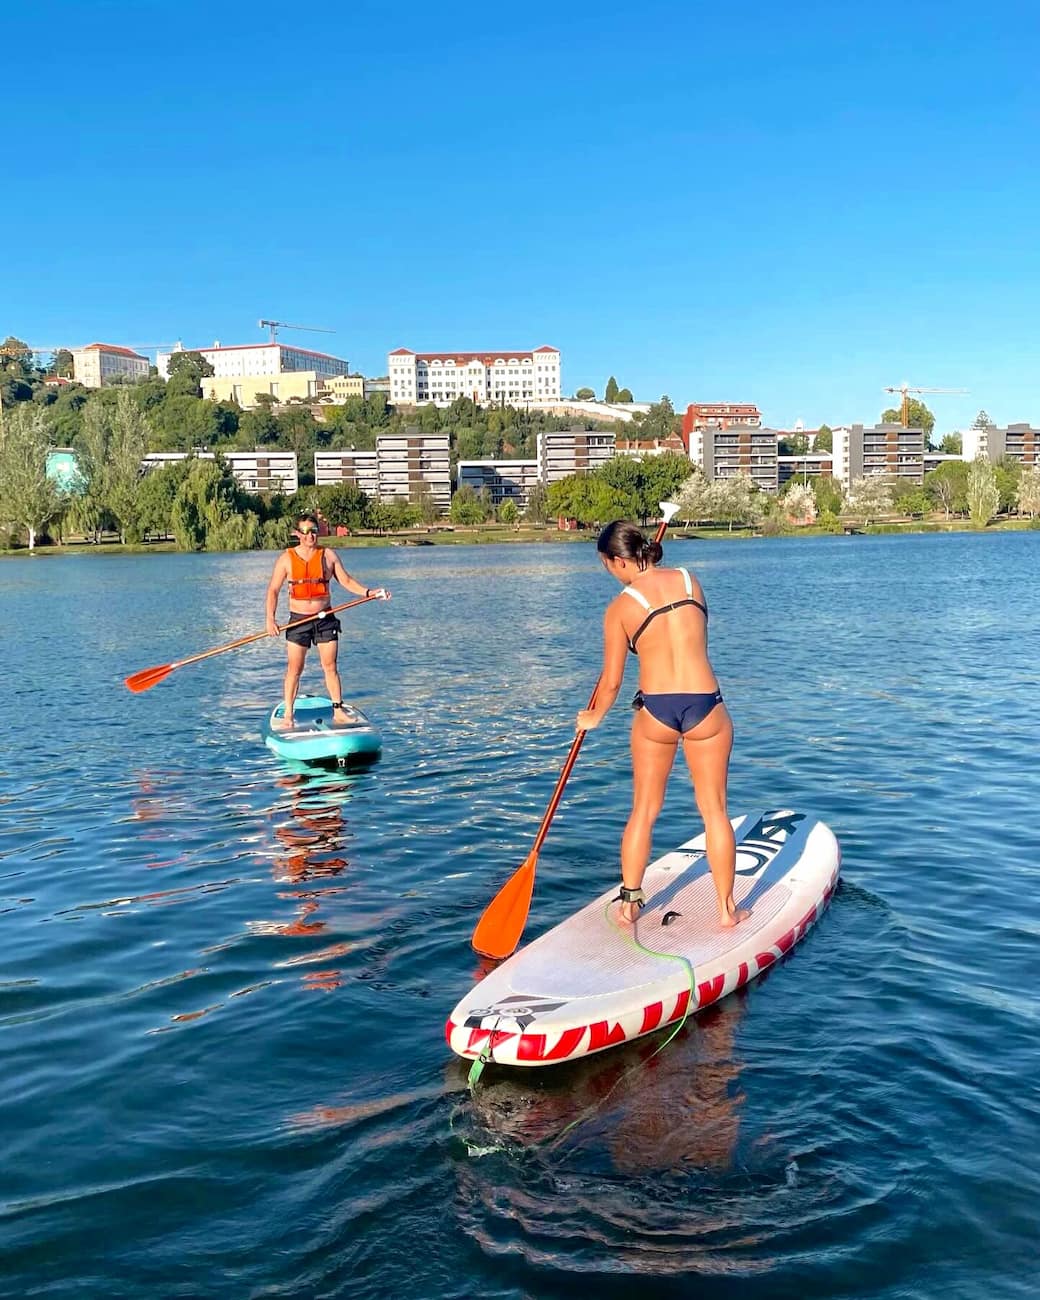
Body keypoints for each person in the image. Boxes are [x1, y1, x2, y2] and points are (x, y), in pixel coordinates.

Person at [576, 521, 747, 929]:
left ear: (619, 561)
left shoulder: (619, 608)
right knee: (715, 812)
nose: (609, 574)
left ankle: (630, 905)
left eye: (607, 566)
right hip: (706, 704)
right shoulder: (691, 581)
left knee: (644, 811)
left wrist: (594, 716)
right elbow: (694, 635)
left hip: (655, 710)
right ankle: (727, 911)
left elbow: (612, 681)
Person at [265, 513, 390, 729]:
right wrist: (270, 619)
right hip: (298, 621)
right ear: (297, 534)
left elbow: (347, 581)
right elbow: (273, 590)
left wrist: (370, 592)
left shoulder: (328, 555)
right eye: (304, 532)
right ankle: (288, 715)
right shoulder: (286, 559)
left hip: (325, 619)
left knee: (330, 666)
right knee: (295, 668)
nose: (310, 536)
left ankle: (338, 710)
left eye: (313, 531)